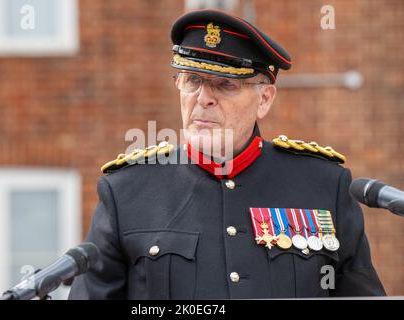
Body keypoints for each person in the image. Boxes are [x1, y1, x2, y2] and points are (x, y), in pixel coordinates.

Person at [69, 9, 385, 299]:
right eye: (192, 81)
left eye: (225, 85)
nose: (203, 98)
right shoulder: (127, 192)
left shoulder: (323, 185)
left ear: (265, 99)